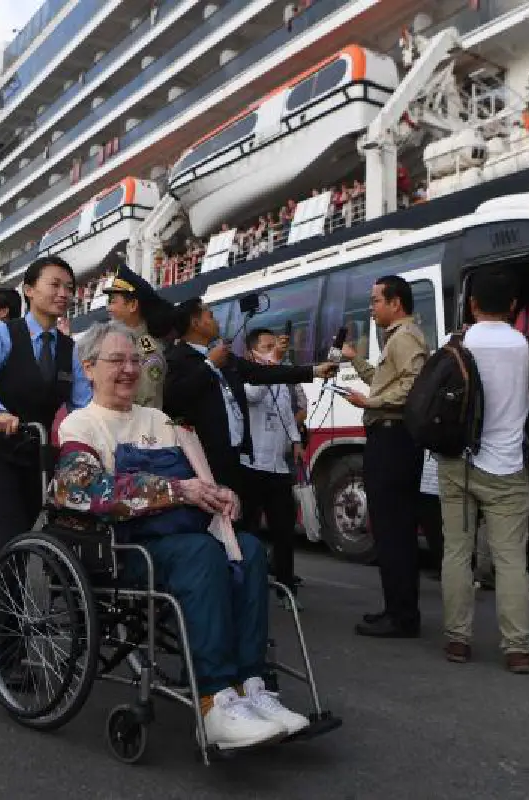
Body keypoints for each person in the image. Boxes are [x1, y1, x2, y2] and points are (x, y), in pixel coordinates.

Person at [55, 321, 309, 749]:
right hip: (125, 549)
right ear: (89, 368)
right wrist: (176, 490)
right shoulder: (81, 426)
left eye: (136, 360)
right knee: (201, 554)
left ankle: (252, 685)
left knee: (247, 548)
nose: (129, 369)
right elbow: (79, 488)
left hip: (181, 535)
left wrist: (221, 495)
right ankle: (215, 701)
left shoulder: (161, 420)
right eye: (117, 360)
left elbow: (199, 480)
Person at [0, 256, 92, 661]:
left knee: (1, 546)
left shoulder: (69, 349)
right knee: (10, 542)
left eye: (69, 286)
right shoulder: (3, 334)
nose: (64, 293)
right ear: (29, 290)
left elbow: (83, 406)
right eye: (54, 284)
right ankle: (7, 652)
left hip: (34, 463)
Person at [437, 269, 529, 674]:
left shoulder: (456, 344)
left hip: (457, 466)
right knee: (511, 558)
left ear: (472, 304)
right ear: (514, 306)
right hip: (508, 467)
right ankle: (517, 648)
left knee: (457, 552)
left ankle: (457, 641)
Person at [164, 297, 335, 496]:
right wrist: (209, 366)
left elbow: (261, 373)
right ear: (195, 323)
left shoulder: (224, 358)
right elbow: (173, 400)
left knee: (240, 517)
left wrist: (313, 371)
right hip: (205, 458)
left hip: (237, 455)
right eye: (210, 316)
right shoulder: (177, 358)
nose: (216, 320)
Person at [342, 275, 428, 638]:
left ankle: (403, 616)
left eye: (376, 300)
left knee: (394, 530)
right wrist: (358, 363)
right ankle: (396, 608)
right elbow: (387, 378)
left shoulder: (405, 336)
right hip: (388, 437)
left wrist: (370, 402)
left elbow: (413, 384)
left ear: (395, 303)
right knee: (389, 529)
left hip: (393, 439)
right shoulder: (396, 338)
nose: (371, 308)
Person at [238, 327, 303, 609]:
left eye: (273, 346)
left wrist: (297, 440)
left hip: (278, 466)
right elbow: (252, 395)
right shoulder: (243, 374)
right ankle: (250, 586)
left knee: (284, 533)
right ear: (252, 352)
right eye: (265, 347)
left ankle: (286, 589)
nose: (270, 350)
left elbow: (287, 411)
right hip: (252, 467)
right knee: (250, 531)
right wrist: (274, 360)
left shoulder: (276, 377)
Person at [103, 263, 174, 409]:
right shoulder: (124, 343)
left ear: (133, 305)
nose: (108, 309)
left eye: (113, 301)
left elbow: (148, 404)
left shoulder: (147, 352)